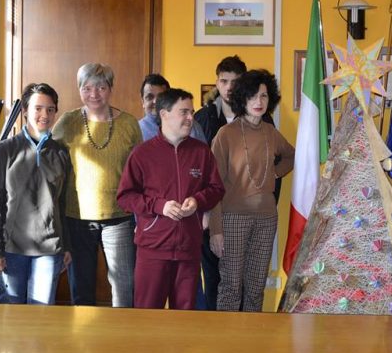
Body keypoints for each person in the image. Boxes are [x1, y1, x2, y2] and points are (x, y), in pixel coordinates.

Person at [117, 88, 225, 310]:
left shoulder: (201, 152)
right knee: (147, 316)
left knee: (185, 320)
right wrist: (159, 206)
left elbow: (216, 189)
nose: (190, 118)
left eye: (191, 112)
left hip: (189, 249)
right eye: (183, 112)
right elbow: (125, 197)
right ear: (164, 114)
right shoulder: (142, 154)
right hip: (152, 250)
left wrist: (197, 201)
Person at [193, 55, 280, 310]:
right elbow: (199, 172)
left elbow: (276, 161)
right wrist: (206, 214)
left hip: (255, 215)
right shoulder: (203, 119)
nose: (229, 87)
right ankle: (218, 338)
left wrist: (270, 186)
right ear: (216, 83)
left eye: (235, 81)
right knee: (217, 281)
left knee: (252, 283)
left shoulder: (265, 122)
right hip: (213, 215)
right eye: (224, 81)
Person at [52, 62, 142, 307]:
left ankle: (121, 339)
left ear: (110, 88)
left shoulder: (129, 124)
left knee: (124, 286)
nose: (94, 94)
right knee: (81, 286)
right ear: (79, 89)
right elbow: (47, 154)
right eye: (87, 87)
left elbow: (139, 171)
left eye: (101, 87)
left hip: (119, 216)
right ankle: (84, 340)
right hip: (77, 215)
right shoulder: (68, 121)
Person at [210, 69, 294, 312]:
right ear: (242, 99)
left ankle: (252, 343)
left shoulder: (270, 132)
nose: (259, 102)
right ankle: (227, 343)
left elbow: (291, 156)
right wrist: (216, 230)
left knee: (256, 287)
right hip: (233, 219)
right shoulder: (225, 134)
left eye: (264, 96)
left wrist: (275, 173)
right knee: (231, 286)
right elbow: (214, 185)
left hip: (267, 219)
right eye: (253, 96)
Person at [0, 83, 72, 305]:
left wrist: (66, 245)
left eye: (51, 109)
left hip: (49, 251)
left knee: (39, 319)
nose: (45, 115)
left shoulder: (61, 152)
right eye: (38, 108)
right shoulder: (5, 150)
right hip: (11, 250)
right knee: (10, 317)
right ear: (25, 111)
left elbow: (62, 203)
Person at [138, 73, 205, 143]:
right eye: (149, 97)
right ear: (143, 101)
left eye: (160, 97)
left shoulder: (191, 126)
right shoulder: (137, 130)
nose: (155, 101)